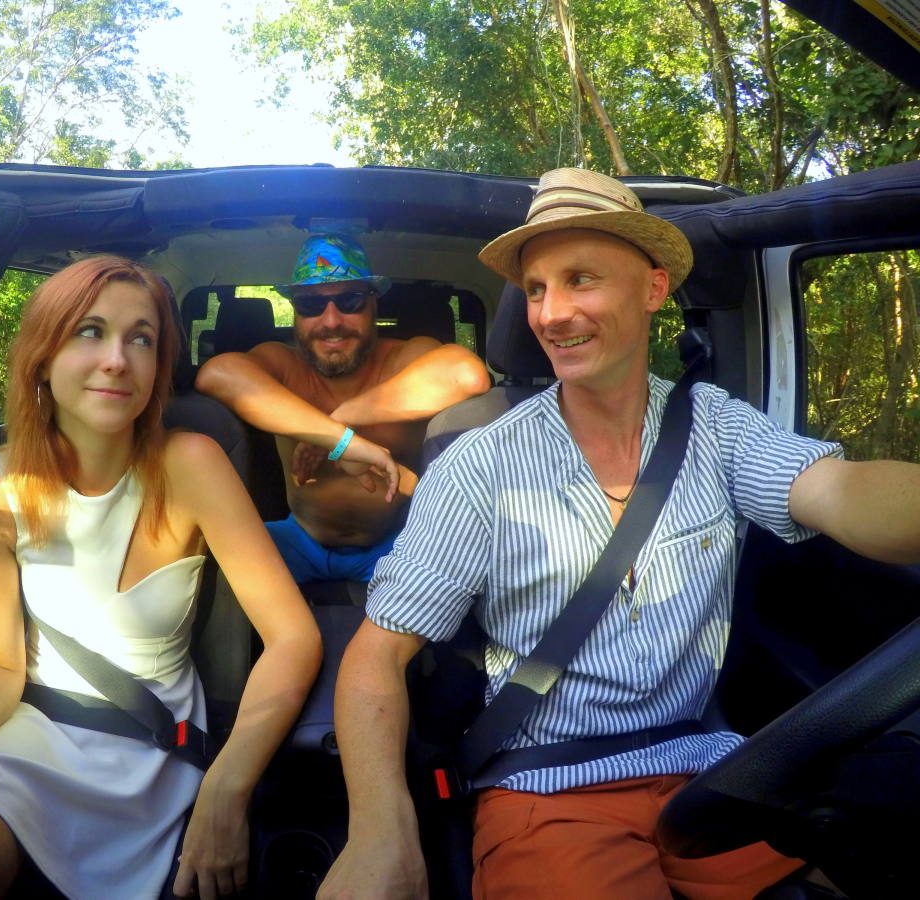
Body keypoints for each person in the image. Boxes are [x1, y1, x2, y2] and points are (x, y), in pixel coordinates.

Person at [317, 168, 920, 899]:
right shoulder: (480, 464)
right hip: (549, 791)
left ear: (654, 289)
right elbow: (376, 655)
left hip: (715, 775)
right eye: (536, 289)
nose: (551, 313)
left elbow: (841, 490)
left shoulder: (719, 427)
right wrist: (383, 826)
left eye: (580, 280)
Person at [0, 255, 322, 899]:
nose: (117, 359)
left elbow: (293, 639)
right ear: (41, 358)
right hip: (35, 737)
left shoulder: (193, 463)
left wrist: (227, 787)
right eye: (90, 331)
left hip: (157, 745)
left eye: (142, 338)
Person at [195, 232, 491, 583]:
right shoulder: (282, 364)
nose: (331, 321)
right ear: (295, 314)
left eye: (349, 301)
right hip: (298, 539)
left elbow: (467, 374)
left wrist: (342, 420)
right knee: (211, 572)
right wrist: (345, 443)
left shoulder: (403, 360)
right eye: (310, 305)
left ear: (374, 306)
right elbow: (217, 374)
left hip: (397, 543)